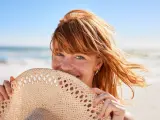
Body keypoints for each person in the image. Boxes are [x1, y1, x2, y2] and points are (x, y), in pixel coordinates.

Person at [0, 9, 146, 120]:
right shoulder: (31, 107)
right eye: (59, 54)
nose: (65, 66)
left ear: (98, 63)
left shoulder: (116, 116)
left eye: (79, 56)